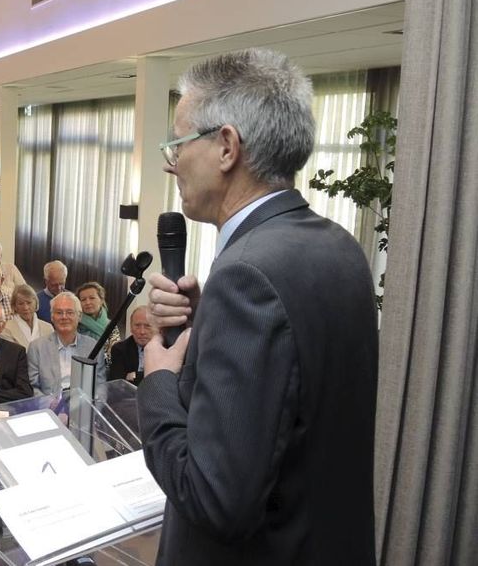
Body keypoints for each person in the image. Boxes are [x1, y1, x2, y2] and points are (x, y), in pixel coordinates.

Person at [138, 49, 378, 565]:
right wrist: (208, 326)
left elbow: (215, 500)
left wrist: (157, 379)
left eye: (178, 143)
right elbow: (293, 403)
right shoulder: (340, 247)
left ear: (227, 147)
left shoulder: (245, 274)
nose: (169, 161)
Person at [26, 291, 104, 397]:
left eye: (70, 312)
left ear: (79, 316)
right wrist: (47, 404)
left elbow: (100, 385)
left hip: (83, 407)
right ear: (52, 317)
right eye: (59, 312)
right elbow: (32, 386)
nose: (64, 317)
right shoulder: (36, 348)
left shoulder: (93, 347)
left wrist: (91, 408)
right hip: (49, 408)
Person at [108, 306, 154, 384]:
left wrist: (135, 376)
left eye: (147, 326)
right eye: (137, 325)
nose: (142, 332)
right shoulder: (119, 350)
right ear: (131, 328)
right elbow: (117, 383)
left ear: (156, 327)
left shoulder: (166, 348)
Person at [1, 284, 53, 349]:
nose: (25, 308)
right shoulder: (7, 329)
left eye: (29, 303)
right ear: (14, 306)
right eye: (21, 304)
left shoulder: (48, 328)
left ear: (36, 303)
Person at [76, 281, 121, 355]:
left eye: (92, 298)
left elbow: (116, 353)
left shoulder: (111, 325)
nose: (88, 302)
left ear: (101, 300)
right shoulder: (75, 324)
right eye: (83, 299)